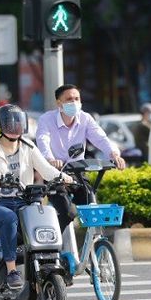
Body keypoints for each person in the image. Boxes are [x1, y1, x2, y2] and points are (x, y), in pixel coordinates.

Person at [0, 104, 73, 288]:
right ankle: (11, 271)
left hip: (23, 201)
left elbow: (46, 169)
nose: (15, 127)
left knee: (45, 215)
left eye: (18, 122)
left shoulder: (28, 146)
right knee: (9, 219)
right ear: (0, 126)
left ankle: (51, 263)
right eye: (9, 123)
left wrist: (63, 177)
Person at [35, 84, 126, 231]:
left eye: (77, 98)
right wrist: (50, 159)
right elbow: (42, 140)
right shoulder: (46, 119)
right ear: (59, 103)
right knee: (67, 213)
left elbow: (101, 138)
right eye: (69, 99)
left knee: (93, 211)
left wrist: (114, 154)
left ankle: (93, 246)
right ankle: (51, 242)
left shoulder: (85, 118)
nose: (74, 102)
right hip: (55, 174)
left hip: (78, 172)